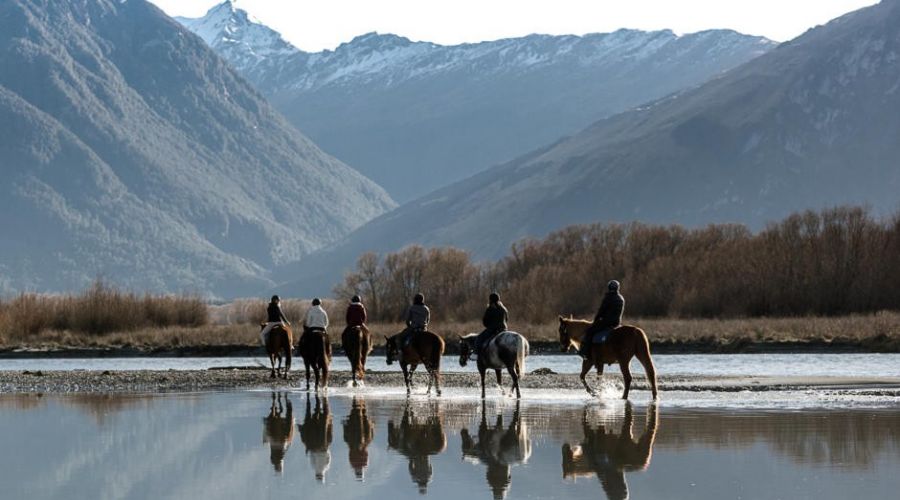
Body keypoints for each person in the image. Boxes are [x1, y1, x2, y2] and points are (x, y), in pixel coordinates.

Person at [579, 280, 625, 358]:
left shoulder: (608, 297)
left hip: (606, 322)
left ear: (609, 288)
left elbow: (601, 311)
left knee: (590, 332)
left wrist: (595, 320)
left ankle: (586, 353)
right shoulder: (621, 298)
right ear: (618, 288)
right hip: (616, 323)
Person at [474, 292, 508, 357]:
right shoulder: (504, 309)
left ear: (490, 300)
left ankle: (476, 354)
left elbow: (485, 321)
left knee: (479, 338)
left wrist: (489, 326)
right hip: (504, 329)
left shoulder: (490, 308)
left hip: (493, 329)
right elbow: (506, 319)